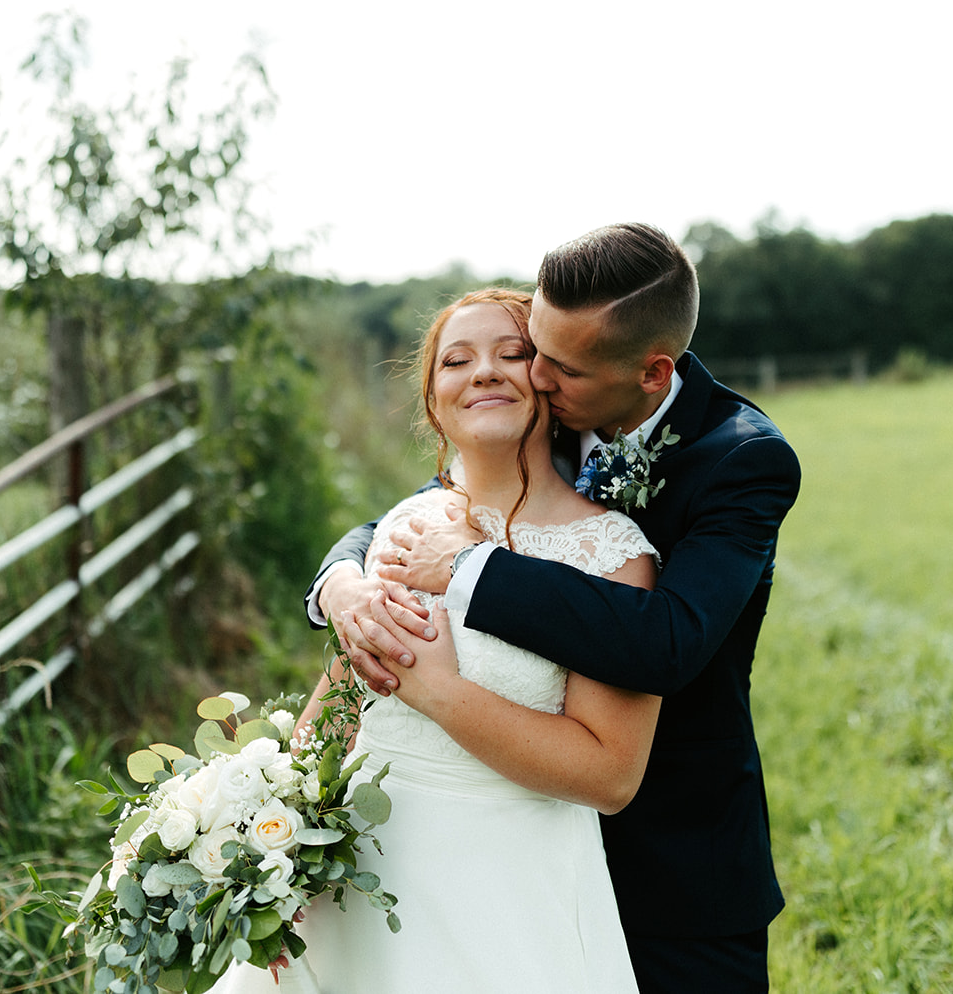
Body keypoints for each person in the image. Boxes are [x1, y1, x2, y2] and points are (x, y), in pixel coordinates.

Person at [309, 223, 802, 993]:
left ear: (650, 373)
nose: (530, 373)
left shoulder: (742, 459)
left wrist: (471, 572)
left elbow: (666, 641)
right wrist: (337, 581)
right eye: (531, 345)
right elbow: (420, 512)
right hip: (472, 853)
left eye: (552, 364)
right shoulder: (547, 411)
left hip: (672, 852)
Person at [218, 288, 660, 993]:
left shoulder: (609, 554)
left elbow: (610, 777)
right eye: (457, 360)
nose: (484, 371)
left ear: (549, 381)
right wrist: (266, 851)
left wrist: (436, 691)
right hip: (357, 878)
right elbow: (338, 703)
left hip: (509, 892)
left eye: (512, 353)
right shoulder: (401, 525)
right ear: (434, 402)